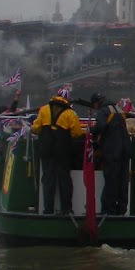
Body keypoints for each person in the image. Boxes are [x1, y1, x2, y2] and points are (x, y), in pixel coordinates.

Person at [32, 87, 85, 215]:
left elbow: (36, 129)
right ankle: (66, 209)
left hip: (46, 150)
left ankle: (47, 210)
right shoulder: (70, 113)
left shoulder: (44, 109)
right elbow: (77, 133)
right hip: (63, 152)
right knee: (64, 180)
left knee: (48, 180)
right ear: (67, 99)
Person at [89, 93, 131, 216]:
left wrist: (91, 131)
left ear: (96, 103)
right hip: (125, 150)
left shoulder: (103, 111)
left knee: (111, 180)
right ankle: (122, 209)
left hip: (112, 150)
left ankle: (108, 210)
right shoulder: (119, 110)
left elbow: (100, 126)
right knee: (123, 181)